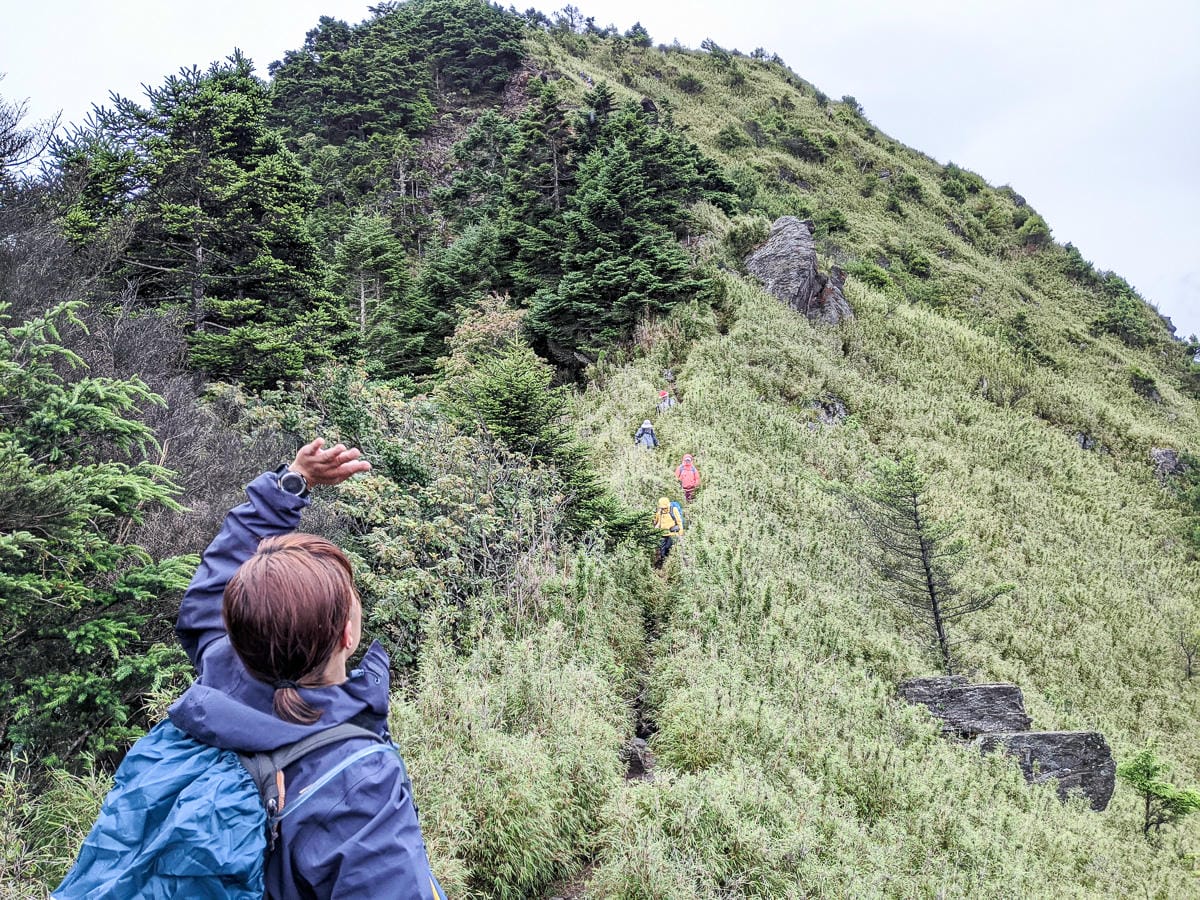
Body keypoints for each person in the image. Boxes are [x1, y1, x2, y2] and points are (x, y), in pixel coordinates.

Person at [171, 438, 442, 898]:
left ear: (235, 626)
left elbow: (207, 597)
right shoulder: (358, 784)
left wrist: (293, 482)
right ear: (347, 637)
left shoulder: (221, 672)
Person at [652, 496, 683, 568]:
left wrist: (680, 533)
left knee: (668, 547)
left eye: (664, 507)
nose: (663, 509)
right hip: (662, 533)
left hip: (672, 533)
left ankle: (667, 561)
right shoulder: (659, 512)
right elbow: (656, 521)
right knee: (661, 549)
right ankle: (662, 562)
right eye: (662, 508)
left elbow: (679, 522)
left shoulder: (673, 510)